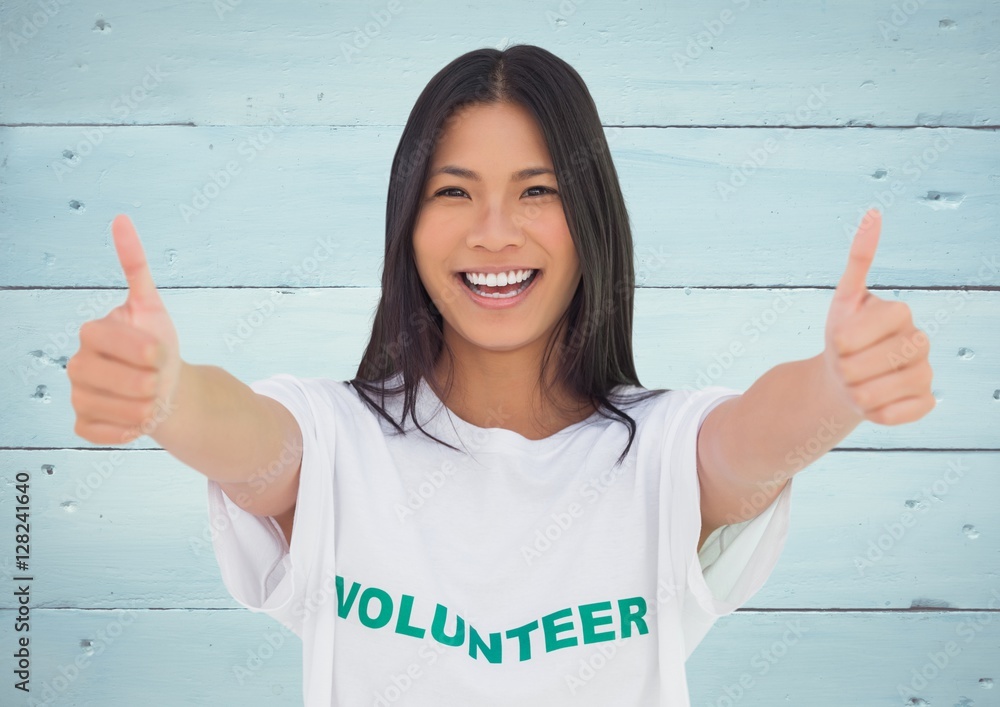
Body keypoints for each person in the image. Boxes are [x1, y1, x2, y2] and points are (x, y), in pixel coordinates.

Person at [67, 44, 934, 707]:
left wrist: (837, 384)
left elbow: (752, 447)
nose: (493, 233)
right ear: (407, 222)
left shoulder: (659, 451)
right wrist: (167, 394)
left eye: (537, 191)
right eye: (453, 193)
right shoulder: (339, 441)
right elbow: (250, 442)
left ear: (589, 218)